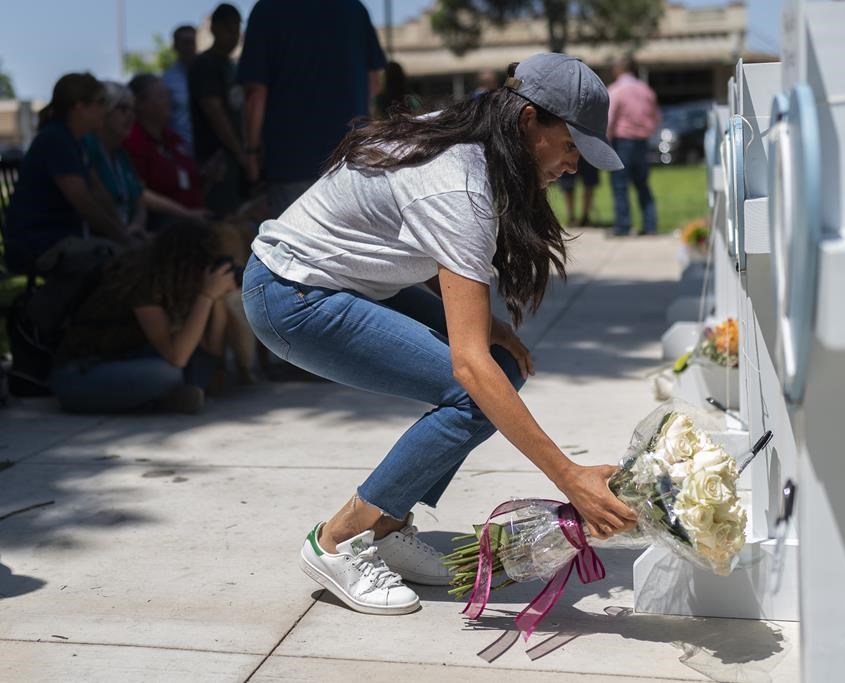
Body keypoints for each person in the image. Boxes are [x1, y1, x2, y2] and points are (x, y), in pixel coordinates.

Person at [242, 53, 633, 616]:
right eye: (572, 146)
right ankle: (338, 541)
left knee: (497, 362)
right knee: (477, 388)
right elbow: (469, 367)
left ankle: (387, 523)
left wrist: (484, 321)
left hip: (336, 277)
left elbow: (402, 231)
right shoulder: (460, 186)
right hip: (292, 295)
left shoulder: (469, 139)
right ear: (529, 121)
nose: (575, 166)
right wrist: (569, 476)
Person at [4, 73, 140, 393]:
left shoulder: (74, 141)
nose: (106, 111)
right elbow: (84, 203)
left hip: (61, 239)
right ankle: (36, 326)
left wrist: (125, 231)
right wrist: (124, 240)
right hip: (36, 243)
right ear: (80, 107)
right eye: (100, 104)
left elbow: (99, 194)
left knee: (114, 253)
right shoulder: (56, 140)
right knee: (105, 257)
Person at [49, 220, 237, 414]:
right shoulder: (142, 282)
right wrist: (206, 297)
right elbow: (177, 357)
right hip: (78, 376)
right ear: (186, 263)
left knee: (197, 361)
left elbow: (211, 353)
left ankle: (163, 399)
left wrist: (217, 299)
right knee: (169, 374)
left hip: (125, 361)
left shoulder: (173, 287)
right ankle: (164, 400)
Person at [238, 0, 386, 219]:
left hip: (291, 162)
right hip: (353, 160)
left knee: (295, 246)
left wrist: (251, 152)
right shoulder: (354, 8)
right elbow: (374, 83)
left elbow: (256, 93)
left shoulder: (266, 10)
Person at [124, 74, 210, 230]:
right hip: (164, 228)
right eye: (162, 96)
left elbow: (191, 184)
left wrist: (208, 176)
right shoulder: (134, 141)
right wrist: (187, 214)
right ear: (142, 104)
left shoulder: (173, 138)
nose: (170, 102)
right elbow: (140, 193)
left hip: (194, 220)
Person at [189, 3, 246, 215]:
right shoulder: (204, 64)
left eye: (237, 27)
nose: (234, 34)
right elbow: (214, 112)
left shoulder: (232, 66)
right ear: (215, 29)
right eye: (229, 28)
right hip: (215, 160)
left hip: (236, 158)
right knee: (222, 221)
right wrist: (240, 152)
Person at [83, 81, 147, 236]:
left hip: (126, 233)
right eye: (123, 109)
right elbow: (91, 205)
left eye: (133, 110)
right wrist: (123, 235)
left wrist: (137, 226)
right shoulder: (87, 148)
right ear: (104, 111)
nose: (131, 116)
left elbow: (139, 200)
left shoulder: (120, 153)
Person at [606, 55, 660, 236]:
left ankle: (623, 225)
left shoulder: (616, 90)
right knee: (642, 184)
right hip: (642, 142)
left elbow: (609, 118)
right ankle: (650, 225)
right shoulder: (645, 90)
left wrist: (606, 140)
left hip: (622, 142)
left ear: (619, 69)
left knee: (620, 184)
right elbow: (656, 117)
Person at [163, 25, 197, 152]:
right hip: (180, 149)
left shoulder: (207, 74)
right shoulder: (167, 80)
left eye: (192, 42)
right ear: (176, 46)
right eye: (185, 43)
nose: (190, 48)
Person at [557, 157, 599, 227]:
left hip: (588, 153)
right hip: (571, 149)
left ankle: (585, 217)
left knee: (589, 184)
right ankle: (571, 217)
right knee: (568, 185)